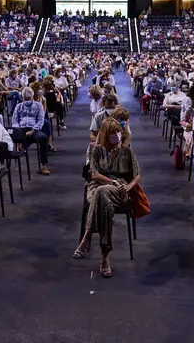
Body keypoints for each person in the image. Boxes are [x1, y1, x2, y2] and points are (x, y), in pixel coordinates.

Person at [73, 118, 140, 278]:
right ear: (105, 134)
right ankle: (104, 258)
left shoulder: (126, 151)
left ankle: (86, 237)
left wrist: (127, 187)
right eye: (112, 133)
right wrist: (113, 181)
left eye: (118, 131)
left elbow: (137, 176)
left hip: (121, 191)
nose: (116, 135)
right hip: (98, 186)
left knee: (102, 194)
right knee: (106, 205)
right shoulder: (97, 150)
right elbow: (94, 174)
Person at [11, 87, 51, 175]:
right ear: (22, 98)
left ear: (32, 96)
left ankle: (43, 165)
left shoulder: (38, 105)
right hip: (21, 130)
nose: (27, 101)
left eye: (28, 99)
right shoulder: (19, 106)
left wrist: (32, 131)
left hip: (34, 130)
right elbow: (14, 121)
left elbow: (40, 121)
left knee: (43, 138)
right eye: (25, 99)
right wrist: (19, 131)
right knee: (11, 136)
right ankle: (20, 145)